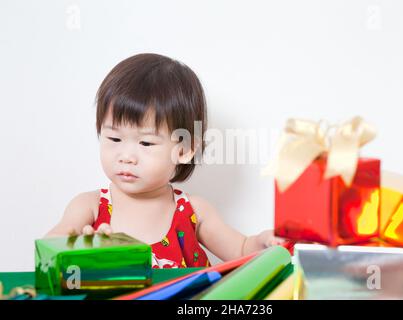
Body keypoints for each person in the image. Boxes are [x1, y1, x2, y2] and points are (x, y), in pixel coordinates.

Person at [45, 53, 284, 268]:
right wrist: (79, 247)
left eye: (146, 143)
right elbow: (49, 248)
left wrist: (263, 243)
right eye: (114, 138)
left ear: (184, 150)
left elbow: (240, 250)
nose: (126, 156)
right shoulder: (90, 207)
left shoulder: (193, 212)